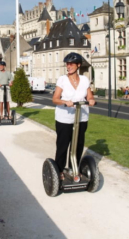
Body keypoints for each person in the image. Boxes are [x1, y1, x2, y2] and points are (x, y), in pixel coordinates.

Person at [52, 52, 95, 180]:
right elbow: (55, 99)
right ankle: (59, 170)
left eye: (71, 64)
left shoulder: (85, 80)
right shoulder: (62, 79)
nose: (68, 66)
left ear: (78, 65)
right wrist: (65, 102)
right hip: (64, 117)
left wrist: (91, 99)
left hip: (81, 116)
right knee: (63, 145)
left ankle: (73, 168)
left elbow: (89, 95)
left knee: (78, 144)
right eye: (67, 64)